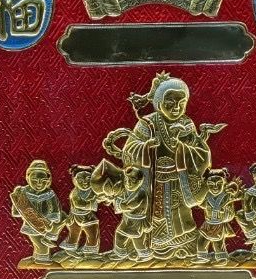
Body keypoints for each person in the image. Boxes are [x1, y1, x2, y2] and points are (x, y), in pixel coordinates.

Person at [119, 75, 213, 259]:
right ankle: (152, 245)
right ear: (159, 102)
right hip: (153, 181)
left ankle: (183, 244)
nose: (176, 107)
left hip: (179, 180)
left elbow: (202, 153)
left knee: (179, 214)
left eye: (182, 102)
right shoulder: (147, 123)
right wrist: (146, 146)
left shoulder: (186, 124)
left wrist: (184, 144)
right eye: (170, 102)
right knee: (156, 214)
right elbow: (129, 149)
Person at [11, 160, 65, 263]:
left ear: (48, 180)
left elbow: (55, 211)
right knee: (40, 244)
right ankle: (41, 260)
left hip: (47, 225)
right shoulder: (23, 192)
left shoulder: (49, 193)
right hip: (31, 225)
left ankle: (39, 257)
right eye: (35, 179)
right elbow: (16, 212)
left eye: (43, 180)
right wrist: (18, 199)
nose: (39, 183)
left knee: (40, 243)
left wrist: (49, 221)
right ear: (28, 178)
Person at [195, 168, 238, 264]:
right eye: (211, 184)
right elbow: (201, 204)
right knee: (201, 240)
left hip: (219, 224)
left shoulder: (226, 196)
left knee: (218, 243)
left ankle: (222, 258)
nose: (215, 187)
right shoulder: (207, 195)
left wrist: (224, 212)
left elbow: (231, 214)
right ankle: (202, 257)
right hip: (207, 223)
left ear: (224, 183)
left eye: (219, 183)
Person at [66, 165, 100, 254]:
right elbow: (79, 204)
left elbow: (99, 197)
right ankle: (70, 250)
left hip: (87, 215)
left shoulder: (92, 191)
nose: (85, 182)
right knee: (74, 235)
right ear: (74, 180)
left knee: (93, 233)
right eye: (80, 180)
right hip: (76, 217)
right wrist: (93, 203)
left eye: (88, 179)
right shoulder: (75, 193)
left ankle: (90, 250)